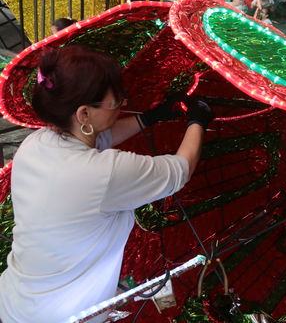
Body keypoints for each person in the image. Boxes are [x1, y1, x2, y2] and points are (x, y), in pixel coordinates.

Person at [0, 45, 214, 322]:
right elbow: (179, 170)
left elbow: (99, 138)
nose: (123, 104)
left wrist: (149, 118)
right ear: (84, 114)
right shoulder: (104, 173)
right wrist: (198, 120)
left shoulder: (37, 143)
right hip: (60, 315)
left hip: (16, 299)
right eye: (115, 102)